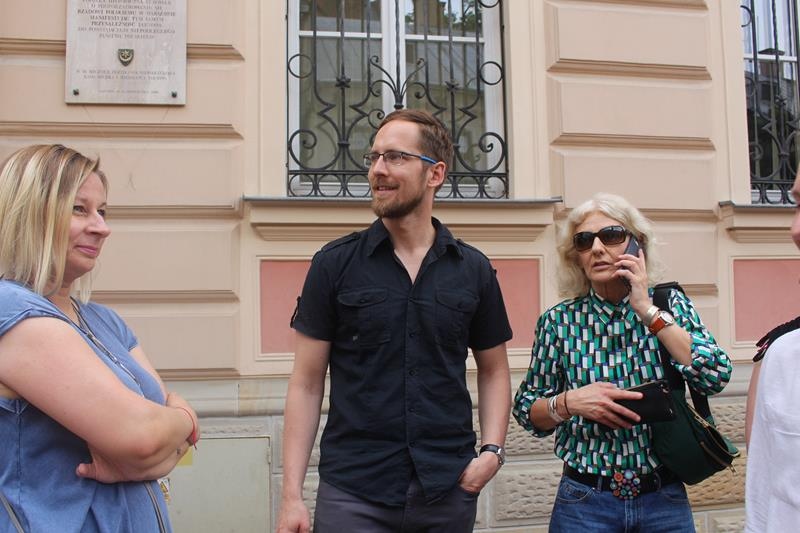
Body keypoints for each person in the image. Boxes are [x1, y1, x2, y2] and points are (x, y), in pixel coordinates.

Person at [277, 109, 513, 533]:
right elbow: (306, 383)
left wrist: (491, 453)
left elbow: (494, 370)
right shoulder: (334, 265)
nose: (378, 170)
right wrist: (291, 496)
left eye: (395, 157)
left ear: (435, 173)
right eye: (374, 157)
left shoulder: (473, 269)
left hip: (446, 491)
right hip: (354, 495)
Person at [0, 144, 199, 532]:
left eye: (102, 211)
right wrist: (182, 419)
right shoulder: (12, 309)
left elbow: (169, 445)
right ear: (30, 212)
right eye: (79, 209)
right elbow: (145, 438)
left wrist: (174, 426)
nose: (102, 227)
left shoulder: (104, 320)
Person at [512, 192, 731, 533]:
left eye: (611, 235)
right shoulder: (558, 321)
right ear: (577, 256)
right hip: (585, 503)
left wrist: (646, 310)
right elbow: (527, 410)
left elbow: (715, 375)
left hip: (664, 499)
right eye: (585, 241)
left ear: (636, 245)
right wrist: (569, 403)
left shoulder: (668, 305)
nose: (597, 248)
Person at [745, 171, 800, 532]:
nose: (794, 230)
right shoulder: (782, 355)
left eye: (612, 235)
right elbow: (762, 502)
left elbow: (710, 370)